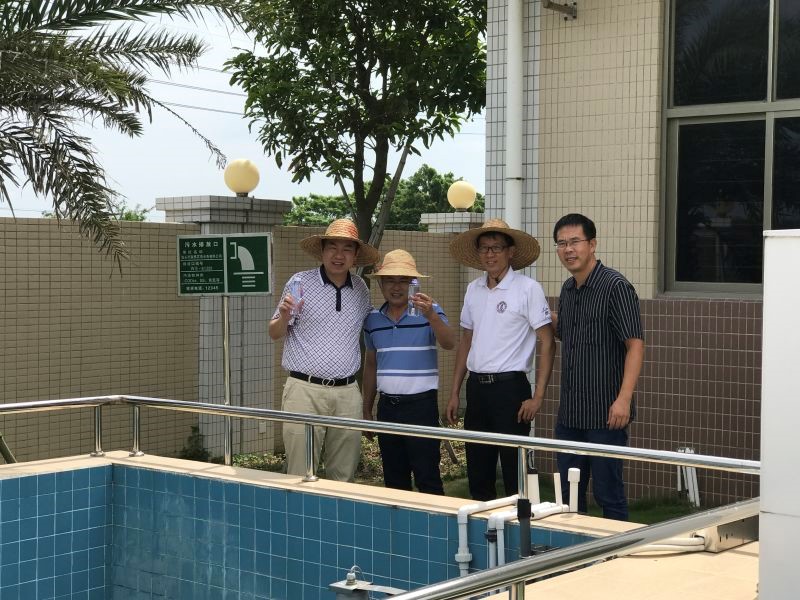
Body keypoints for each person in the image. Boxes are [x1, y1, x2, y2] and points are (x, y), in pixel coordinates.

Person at [446, 219, 555, 501]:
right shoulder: (473, 289)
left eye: (496, 247)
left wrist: (538, 397)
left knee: (514, 474)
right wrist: (455, 391)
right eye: (484, 248)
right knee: (478, 470)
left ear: (510, 252)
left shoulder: (528, 288)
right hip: (477, 388)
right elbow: (466, 340)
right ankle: (482, 527)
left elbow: (547, 341)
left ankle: (521, 527)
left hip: (511, 390)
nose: (490, 254)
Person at [269, 218, 380, 481]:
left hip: (347, 392)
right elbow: (274, 332)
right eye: (332, 247)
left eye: (347, 249)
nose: (339, 255)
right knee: (300, 472)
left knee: (344, 475)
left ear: (355, 256)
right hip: (304, 390)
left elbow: (373, 322)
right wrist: (284, 316)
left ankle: (338, 510)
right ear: (322, 251)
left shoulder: (360, 289)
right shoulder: (300, 282)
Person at [552, 213, 644, 521]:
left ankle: (618, 550)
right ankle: (573, 549)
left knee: (609, 494)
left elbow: (635, 345)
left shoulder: (616, 286)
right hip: (570, 415)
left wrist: (624, 399)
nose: (568, 249)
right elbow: (567, 333)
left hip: (606, 415)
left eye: (575, 241)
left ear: (592, 244)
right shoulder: (567, 290)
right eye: (561, 243)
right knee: (569, 496)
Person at [362, 249, 456, 494]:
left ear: (413, 284)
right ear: (381, 284)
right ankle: (399, 520)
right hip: (387, 407)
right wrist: (367, 410)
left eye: (403, 280)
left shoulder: (429, 310)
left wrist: (432, 316)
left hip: (420, 407)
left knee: (428, 477)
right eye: (390, 280)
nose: (396, 287)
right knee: (394, 481)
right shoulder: (372, 320)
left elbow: (449, 342)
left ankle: (434, 520)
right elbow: (371, 365)